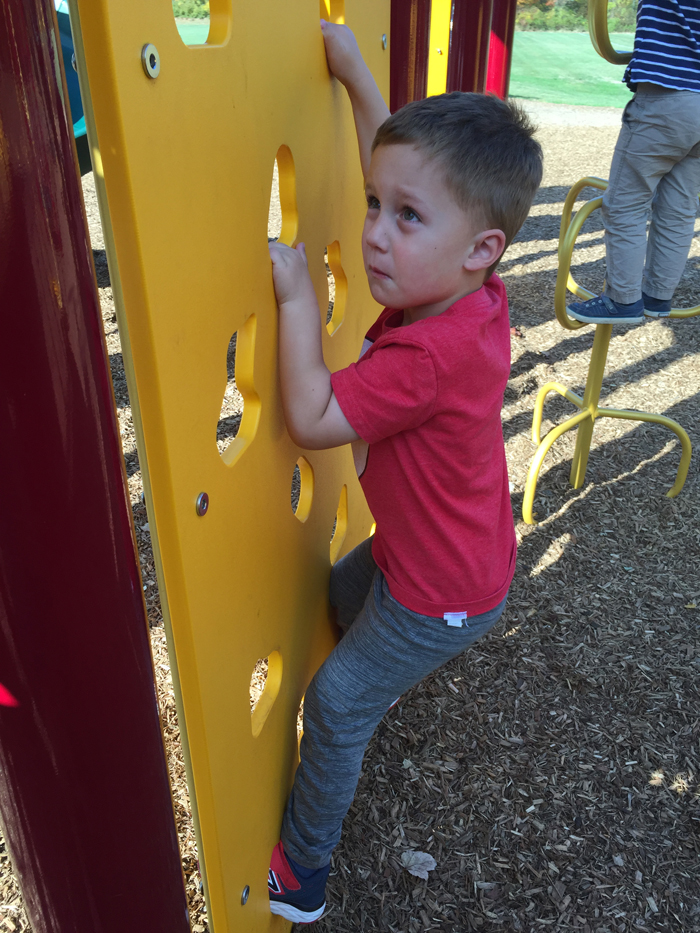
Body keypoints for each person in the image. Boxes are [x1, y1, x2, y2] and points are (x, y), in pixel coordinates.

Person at [266, 21, 543, 924]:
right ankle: (376, 669)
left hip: (440, 593)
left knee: (336, 702)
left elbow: (312, 418)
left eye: (404, 218)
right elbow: (407, 173)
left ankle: (303, 874)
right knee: (338, 597)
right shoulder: (469, 292)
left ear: (480, 249)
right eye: (373, 205)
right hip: (434, 553)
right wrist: (356, 79)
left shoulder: (427, 357)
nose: (375, 235)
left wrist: (298, 299)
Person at [569, 0, 700, 325]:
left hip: (666, 98)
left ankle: (622, 299)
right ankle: (658, 296)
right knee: (679, 207)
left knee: (625, 204)